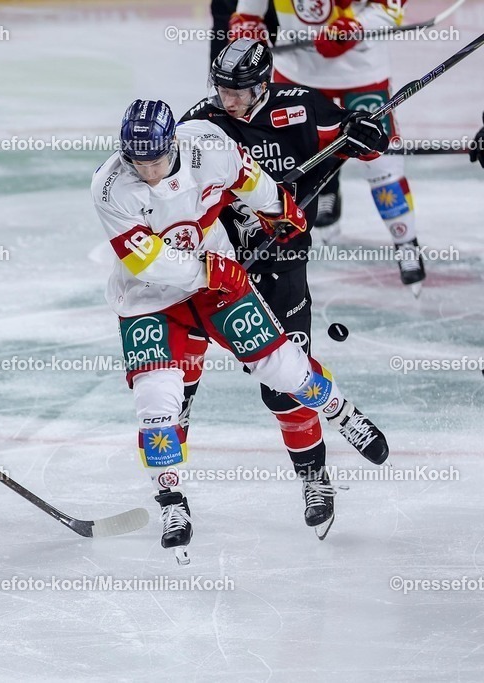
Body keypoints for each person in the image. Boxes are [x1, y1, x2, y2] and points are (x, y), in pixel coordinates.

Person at [92, 99, 389, 564]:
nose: (147, 169)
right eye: (138, 160)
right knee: (158, 402)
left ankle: (341, 411)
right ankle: (171, 502)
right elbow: (145, 261)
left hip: (216, 282)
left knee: (280, 364)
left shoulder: (207, 145)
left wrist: (277, 208)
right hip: (149, 298)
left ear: (172, 144)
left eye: (155, 158)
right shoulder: (111, 187)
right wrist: (211, 270)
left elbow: (248, 178)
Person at [179, 38, 389, 536]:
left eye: (238, 91)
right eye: (222, 89)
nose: (226, 99)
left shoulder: (300, 106)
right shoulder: (203, 122)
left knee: (282, 388)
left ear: (263, 84)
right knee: (178, 382)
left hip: (284, 260)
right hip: (218, 266)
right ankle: (169, 493)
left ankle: (315, 479)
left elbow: (367, 141)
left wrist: (368, 134)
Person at [230, 0, 425, 293]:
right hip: (296, 73)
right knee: (296, 157)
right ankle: (327, 188)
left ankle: (405, 240)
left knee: (381, 162)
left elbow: (390, 6)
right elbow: (248, 12)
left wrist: (356, 27)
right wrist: (247, 26)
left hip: (362, 75)